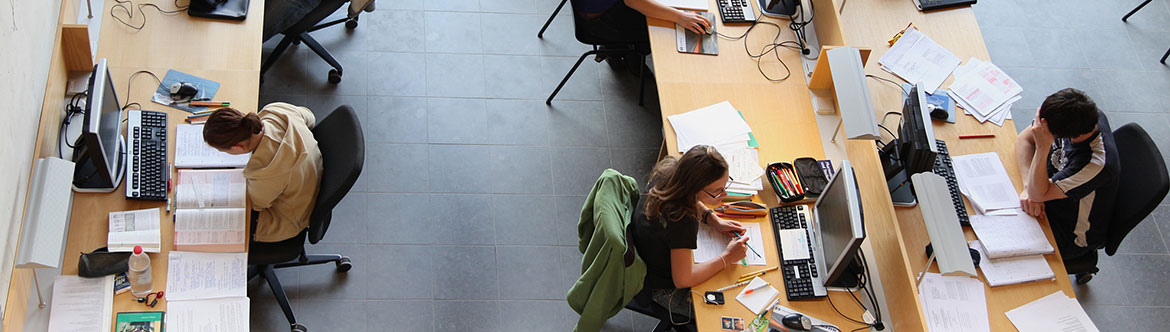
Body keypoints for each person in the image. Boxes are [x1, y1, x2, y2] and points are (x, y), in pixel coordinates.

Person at [632, 145, 749, 325]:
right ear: (695, 188)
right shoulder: (682, 220)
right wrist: (727, 257)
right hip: (662, 289)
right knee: (728, 315)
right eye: (717, 190)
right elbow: (683, 280)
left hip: (647, 259)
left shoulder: (668, 171)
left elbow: (690, 197)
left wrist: (711, 218)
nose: (724, 194)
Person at [1014, 88, 1119, 260]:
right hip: (1047, 196)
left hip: (1069, 234)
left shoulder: (1094, 163)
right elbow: (1024, 140)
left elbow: (1038, 193)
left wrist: (1042, 147)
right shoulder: (1079, 115)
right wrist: (1027, 185)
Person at [202, 103, 323, 244]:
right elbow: (310, 118)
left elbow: (257, 204)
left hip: (289, 217)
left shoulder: (266, 171)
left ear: (237, 147)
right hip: (311, 174)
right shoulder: (274, 111)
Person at [577, 0, 712, 69]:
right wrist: (681, 17)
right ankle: (627, 52)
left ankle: (621, 53)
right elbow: (634, 2)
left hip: (601, 9)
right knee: (667, 29)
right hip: (599, 22)